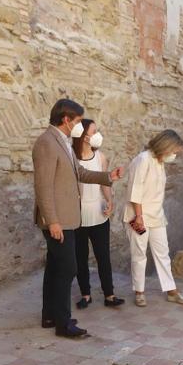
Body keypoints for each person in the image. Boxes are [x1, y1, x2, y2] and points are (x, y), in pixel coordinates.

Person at [32, 98, 123, 339]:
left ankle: (49, 315)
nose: (80, 126)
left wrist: (107, 176)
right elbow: (43, 187)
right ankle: (63, 323)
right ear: (66, 119)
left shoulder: (62, 142)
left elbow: (79, 173)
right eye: (78, 121)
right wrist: (52, 221)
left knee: (54, 267)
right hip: (58, 219)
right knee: (67, 267)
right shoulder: (46, 143)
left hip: (67, 217)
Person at [123, 129, 183, 307]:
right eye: (174, 151)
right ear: (165, 146)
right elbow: (135, 189)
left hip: (156, 216)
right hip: (138, 217)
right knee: (139, 254)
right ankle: (139, 292)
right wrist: (138, 217)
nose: (174, 155)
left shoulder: (160, 162)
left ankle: (171, 290)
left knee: (162, 253)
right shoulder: (143, 159)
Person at [72, 119, 124, 310]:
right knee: (80, 256)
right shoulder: (72, 158)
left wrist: (110, 201)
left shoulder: (100, 157)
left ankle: (109, 294)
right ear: (84, 136)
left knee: (103, 255)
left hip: (99, 212)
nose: (97, 135)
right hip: (78, 215)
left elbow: (104, 182)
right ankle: (85, 294)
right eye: (94, 131)